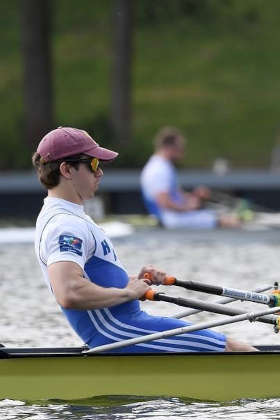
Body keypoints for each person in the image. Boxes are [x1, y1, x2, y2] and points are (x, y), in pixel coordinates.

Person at [31, 127, 255, 352]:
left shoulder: (69, 217)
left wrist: (134, 281)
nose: (100, 173)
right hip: (117, 331)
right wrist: (128, 292)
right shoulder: (64, 225)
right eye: (94, 165)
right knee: (234, 349)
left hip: (124, 326)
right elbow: (69, 292)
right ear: (67, 169)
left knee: (229, 345)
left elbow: (90, 278)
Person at [140, 127, 238, 229]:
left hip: (174, 216)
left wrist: (194, 196)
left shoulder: (163, 166)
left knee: (224, 215)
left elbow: (174, 196)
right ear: (169, 147)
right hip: (171, 219)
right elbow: (164, 202)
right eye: (180, 148)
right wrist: (187, 207)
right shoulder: (158, 169)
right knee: (229, 221)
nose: (183, 152)